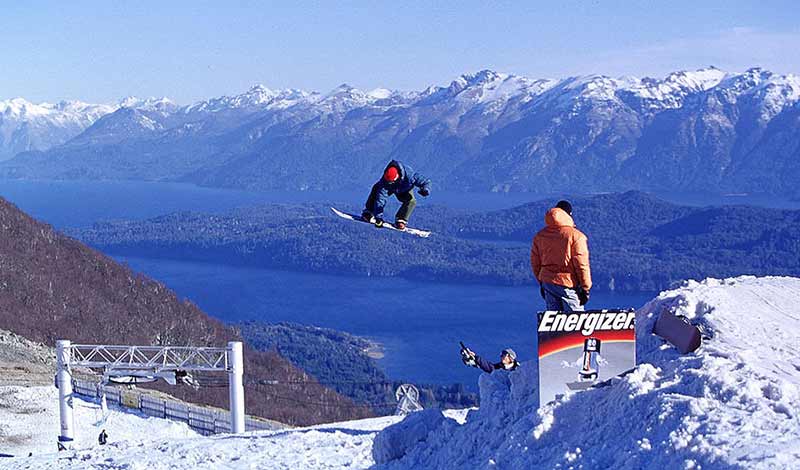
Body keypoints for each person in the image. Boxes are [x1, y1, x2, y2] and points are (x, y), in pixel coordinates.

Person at [530, 200, 592, 312]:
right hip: (568, 284)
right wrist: (585, 288)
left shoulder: (540, 236)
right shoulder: (576, 236)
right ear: (569, 215)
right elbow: (581, 264)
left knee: (555, 322)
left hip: (548, 283)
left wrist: (542, 281)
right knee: (575, 321)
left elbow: (535, 263)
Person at [362, 160, 431, 230]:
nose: (390, 183)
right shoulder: (385, 182)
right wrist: (378, 217)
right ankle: (369, 212)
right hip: (390, 189)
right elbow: (380, 199)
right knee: (376, 189)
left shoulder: (410, 175)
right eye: (388, 181)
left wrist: (425, 190)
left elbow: (425, 181)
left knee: (411, 201)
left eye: (391, 181)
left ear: (397, 176)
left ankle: (401, 220)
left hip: (404, 190)